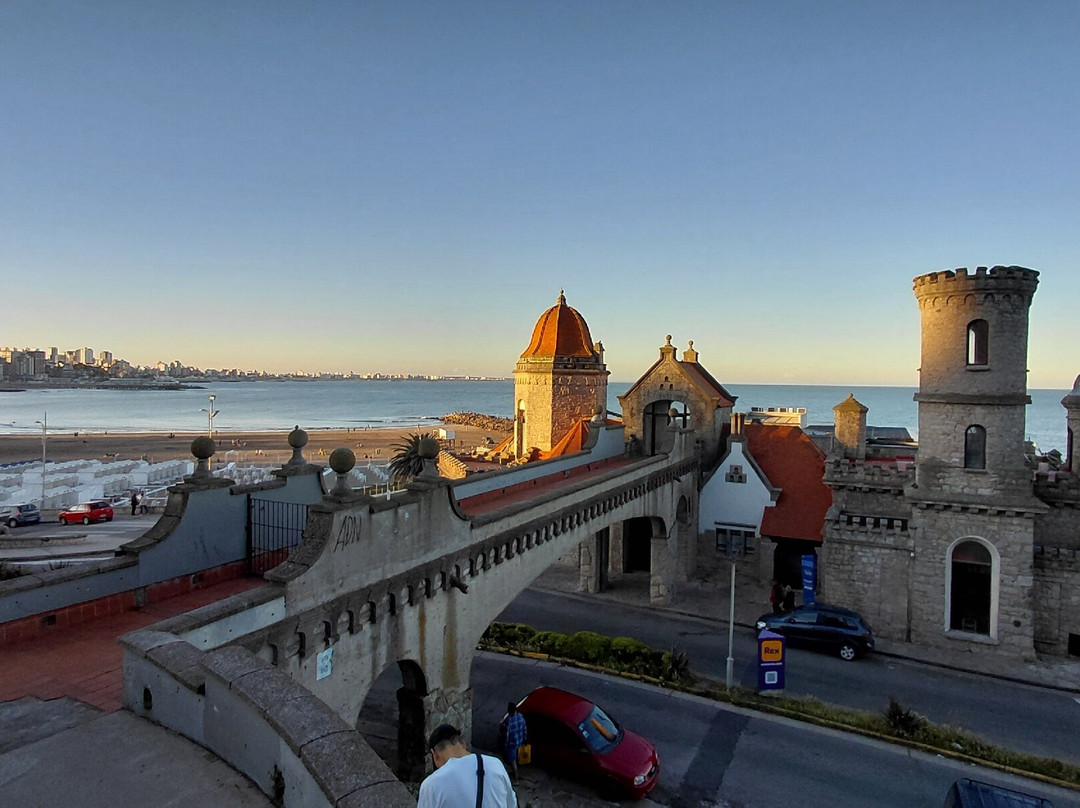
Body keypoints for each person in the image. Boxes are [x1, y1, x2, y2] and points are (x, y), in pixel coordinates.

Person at [417, 724, 516, 808]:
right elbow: (512, 804)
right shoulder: (496, 764)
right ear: (463, 744)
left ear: (435, 755)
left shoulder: (431, 785)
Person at [500, 701, 528, 782]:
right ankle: (518, 772)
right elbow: (524, 729)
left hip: (512, 744)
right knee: (518, 758)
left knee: (513, 762)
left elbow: (507, 735)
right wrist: (524, 738)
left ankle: (516, 779)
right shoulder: (520, 716)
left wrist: (505, 745)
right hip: (520, 741)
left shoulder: (509, 721)